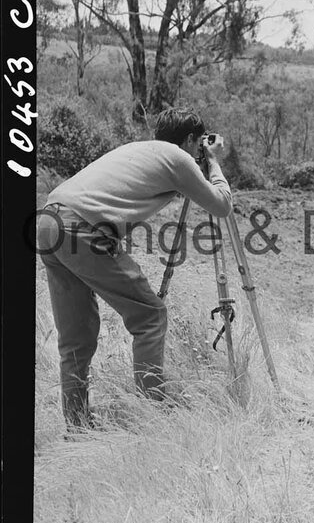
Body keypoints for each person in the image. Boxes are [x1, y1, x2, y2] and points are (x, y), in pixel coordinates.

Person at [37, 109, 233, 431]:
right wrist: (212, 163)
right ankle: (151, 416)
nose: (199, 150)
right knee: (150, 316)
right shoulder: (178, 158)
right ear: (189, 140)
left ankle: (78, 427)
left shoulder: (142, 149)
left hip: (49, 220)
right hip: (82, 229)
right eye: (199, 144)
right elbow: (221, 204)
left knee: (76, 338)